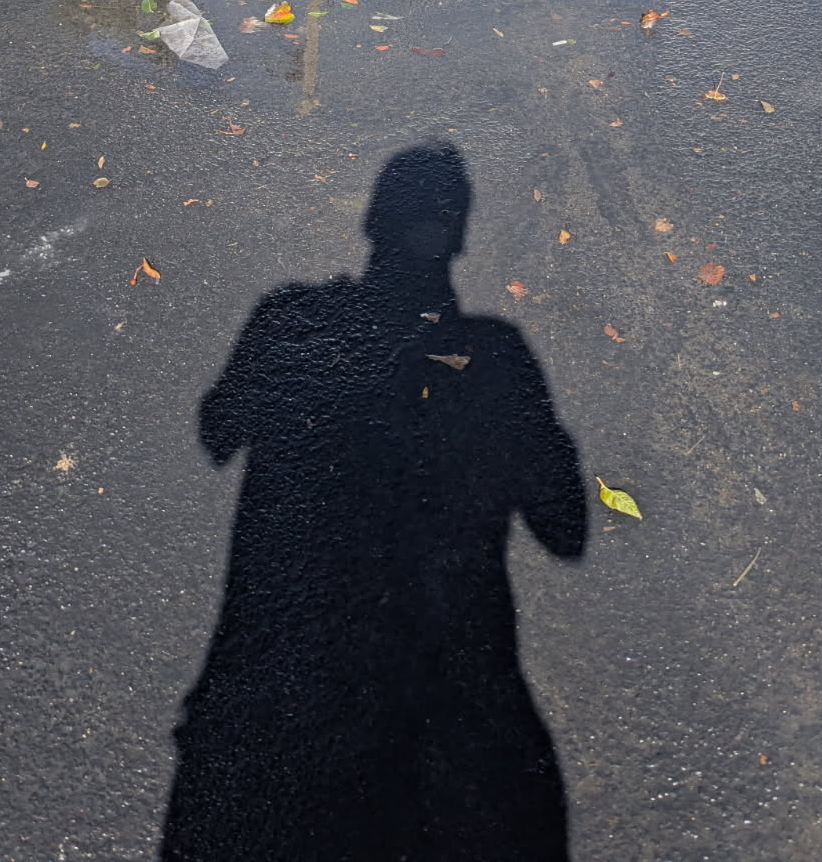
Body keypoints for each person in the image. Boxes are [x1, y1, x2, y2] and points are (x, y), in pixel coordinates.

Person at [162, 143, 588, 861]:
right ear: (457, 235)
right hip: (448, 703)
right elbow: (565, 526)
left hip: (286, 690)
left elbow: (217, 429)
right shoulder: (497, 355)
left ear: (370, 225)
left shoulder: (292, 318)